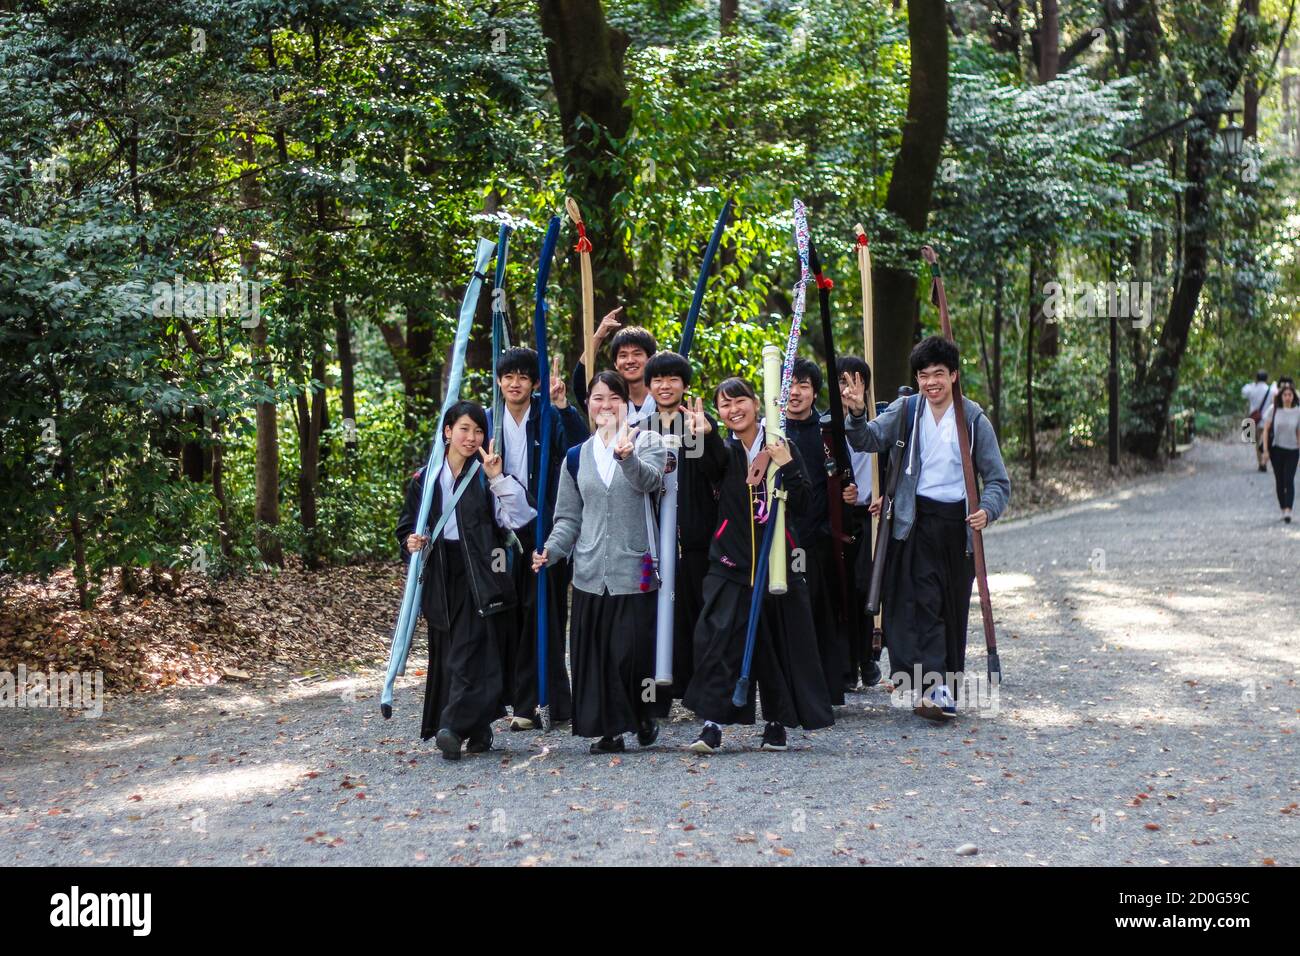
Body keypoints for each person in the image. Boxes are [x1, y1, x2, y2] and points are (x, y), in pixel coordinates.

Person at [842, 336, 1010, 721]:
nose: (931, 382)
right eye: (923, 375)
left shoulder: (972, 418)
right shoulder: (907, 410)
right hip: (914, 522)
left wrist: (987, 509)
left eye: (938, 374)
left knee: (951, 608)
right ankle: (934, 688)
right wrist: (854, 413)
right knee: (924, 603)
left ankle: (942, 687)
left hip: (959, 527)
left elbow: (998, 481)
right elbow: (868, 438)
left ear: (953, 375)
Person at [683, 377, 835, 753]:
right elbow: (710, 465)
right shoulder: (725, 450)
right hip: (730, 560)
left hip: (776, 561)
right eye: (724, 405)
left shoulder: (782, 445)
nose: (733, 410)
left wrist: (788, 466)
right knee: (715, 637)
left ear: (756, 402)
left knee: (774, 641)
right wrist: (703, 436)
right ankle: (712, 724)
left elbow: (803, 502)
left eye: (739, 401)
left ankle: (776, 722)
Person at [533, 371, 666, 753]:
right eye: (597, 398)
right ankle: (611, 730)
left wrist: (627, 459)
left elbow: (651, 482)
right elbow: (569, 518)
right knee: (599, 657)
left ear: (626, 402)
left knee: (631, 653)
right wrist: (550, 551)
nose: (605, 405)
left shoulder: (647, 441)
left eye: (613, 398)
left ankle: (642, 716)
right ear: (587, 405)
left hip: (636, 569)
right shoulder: (576, 457)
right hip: (590, 573)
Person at [397, 401, 536, 758]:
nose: (472, 437)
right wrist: (411, 542)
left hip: (484, 574)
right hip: (443, 576)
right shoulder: (424, 479)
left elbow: (520, 517)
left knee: (470, 652)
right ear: (447, 431)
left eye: (478, 431)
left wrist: (497, 479)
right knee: (452, 654)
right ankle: (477, 728)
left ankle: (453, 726)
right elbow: (406, 529)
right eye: (464, 429)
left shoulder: (486, 473)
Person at [487, 347, 589, 730]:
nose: (515, 383)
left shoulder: (547, 416)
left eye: (523, 377)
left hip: (544, 527)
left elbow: (579, 449)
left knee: (542, 612)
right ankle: (519, 701)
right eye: (508, 376)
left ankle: (550, 702)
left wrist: (563, 406)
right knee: (510, 615)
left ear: (534, 383)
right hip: (501, 530)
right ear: (499, 381)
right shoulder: (487, 420)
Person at [643, 350, 726, 702]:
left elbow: (718, 470)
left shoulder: (699, 422)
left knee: (696, 614)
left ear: (685, 385)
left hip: (695, 538)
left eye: (673, 379)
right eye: (658, 379)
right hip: (652, 541)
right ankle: (659, 695)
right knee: (656, 617)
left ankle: (697, 692)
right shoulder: (641, 430)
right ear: (648, 387)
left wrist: (706, 436)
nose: (665, 386)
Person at [782, 357, 858, 703]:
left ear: (814, 393)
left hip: (821, 538)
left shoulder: (828, 432)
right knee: (788, 614)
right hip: (782, 536)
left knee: (823, 613)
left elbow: (845, 477)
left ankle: (828, 688)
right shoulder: (773, 431)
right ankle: (787, 689)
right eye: (790, 385)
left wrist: (849, 493)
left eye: (803, 385)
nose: (795, 392)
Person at [837, 355, 882, 688]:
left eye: (856, 381)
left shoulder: (881, 422)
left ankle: (867, 656)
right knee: (840, 588)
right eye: (842, 381)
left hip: (872, 514)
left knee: (867, 587)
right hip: (838, 517)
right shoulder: (824, 425)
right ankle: (846, 662)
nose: (849, 388)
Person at [570, 308, 658, 426]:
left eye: (637, 354)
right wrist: (599, 336)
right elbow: (580, 382)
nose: (630, 360)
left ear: (651, 359)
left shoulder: (663, 398)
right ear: (616, 363)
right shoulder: (607, 405)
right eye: (623, 355)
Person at [1261, 380, 1300, 523]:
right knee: (1280, 480)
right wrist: (1265, 450)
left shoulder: (1298, 412)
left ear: (1293, 396)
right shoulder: (1273, 410)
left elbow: (1299, 433)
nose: (1288, 397)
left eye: (1290, 394)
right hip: (1276, 450)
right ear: (1281, 396)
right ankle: (1283, 508)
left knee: (1289, 480)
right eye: (1285, 395)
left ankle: (1288, 510)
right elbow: (1266, 430)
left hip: (1293, 450)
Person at [1243, 370, 1274, 471]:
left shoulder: (1252, 389)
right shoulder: (1270, 390)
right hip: (1266, 420)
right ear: (1267, 379)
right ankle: (1264, 462)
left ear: (1256, 378)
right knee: (1265, 441)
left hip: (1253, 420)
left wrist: (1252, 384)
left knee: (1257, 443)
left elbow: (1243, 391)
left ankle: (1260, 463)